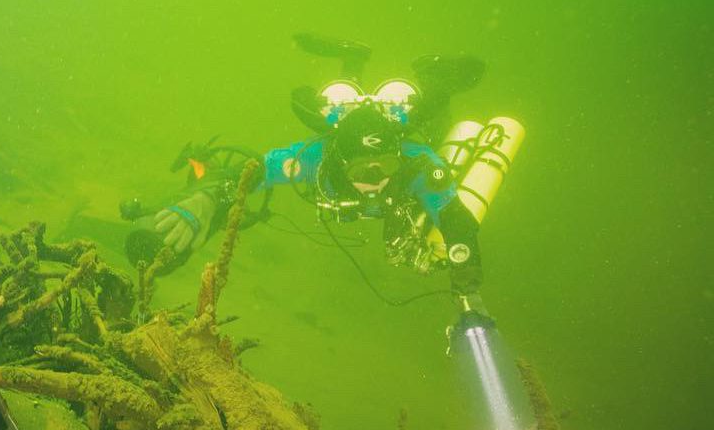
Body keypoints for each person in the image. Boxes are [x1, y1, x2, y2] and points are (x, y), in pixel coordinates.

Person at [125, 34, 502, 302]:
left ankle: (435, 80)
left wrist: (467, 279)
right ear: (339, 161)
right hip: (341, 130)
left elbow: (455, 218)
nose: (376, 178)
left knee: (429, 117)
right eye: (362, 171)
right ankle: (353, 59)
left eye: (384, 165)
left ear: (397, 156)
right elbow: (252, 171)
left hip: (407, 125)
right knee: (336, 112)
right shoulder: (316, 158)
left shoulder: (415, 161)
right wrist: (207, 199)